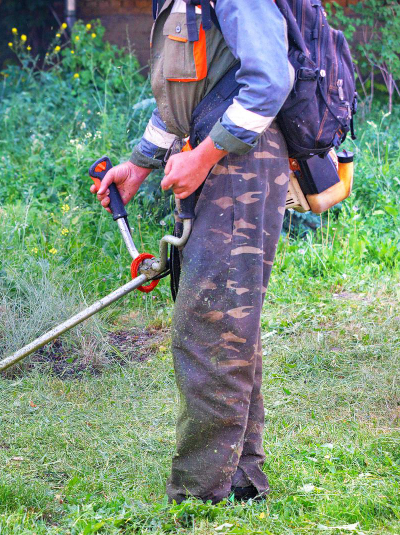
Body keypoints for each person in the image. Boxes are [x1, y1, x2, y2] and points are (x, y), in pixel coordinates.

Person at [91, 0, 292, 503]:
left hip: (240, 159)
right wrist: (141, 163)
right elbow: (184, 93)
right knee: (227, 322)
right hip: (214, 149)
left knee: (209, 324)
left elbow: (270, 81)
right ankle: (240, 481)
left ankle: (203, 495)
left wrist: (205, 155)